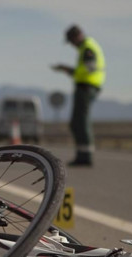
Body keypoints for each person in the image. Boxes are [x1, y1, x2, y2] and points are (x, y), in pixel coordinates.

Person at [52, 25, 106, 167]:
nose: (72, 44)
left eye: (71, 40)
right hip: (86, 86)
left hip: (86, 87)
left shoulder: (88, 48)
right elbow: (84, 70)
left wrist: (70, 70)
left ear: (77, 36)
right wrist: (68, 70)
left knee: (80, 122)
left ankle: (85, 156)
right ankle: (82, 155)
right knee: (77, 122)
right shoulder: (86, 48)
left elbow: (89, 69)